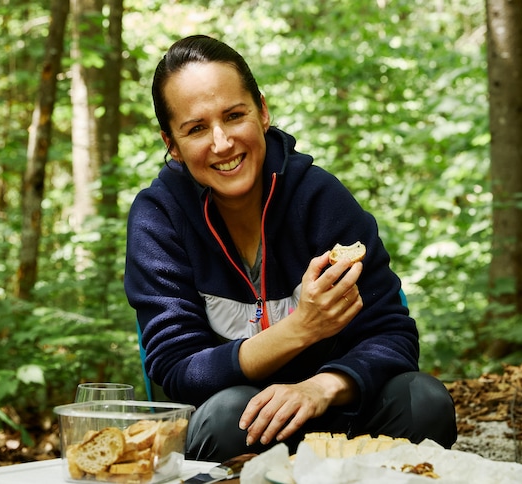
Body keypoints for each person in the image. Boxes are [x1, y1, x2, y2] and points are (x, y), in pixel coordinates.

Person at [124, 34, 457, 462]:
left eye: (234, 115)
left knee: (423, 399)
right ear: (171, 143)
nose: (222, 142)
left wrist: (323, 387)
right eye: (196, 128)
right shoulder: (160, 217)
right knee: (227, 413)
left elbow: (391, 332)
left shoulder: (318, 200)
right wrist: (302, 328)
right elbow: (177, 369)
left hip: (340, 418)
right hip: (241, 429)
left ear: (262, 111)